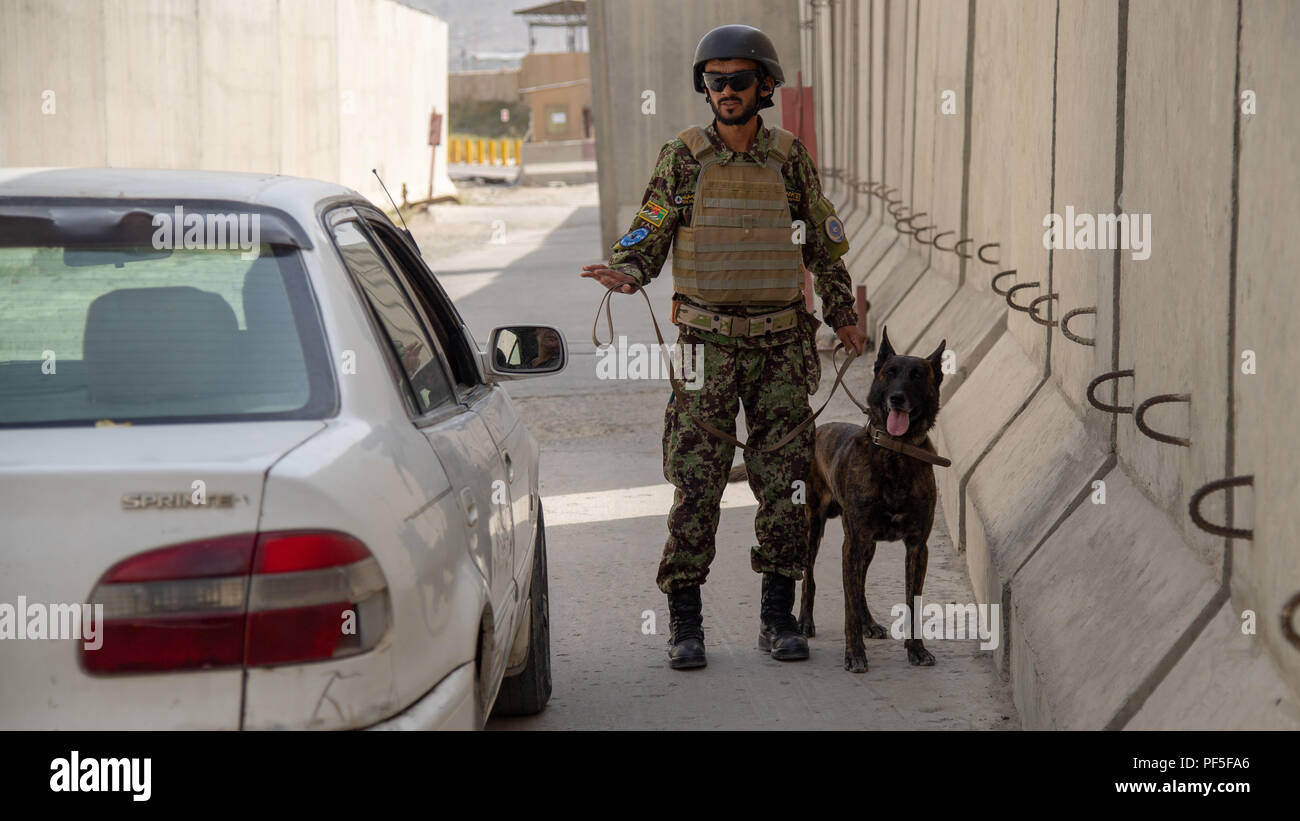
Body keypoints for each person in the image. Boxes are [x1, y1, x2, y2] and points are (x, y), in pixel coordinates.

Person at [580, 23, 867, 670]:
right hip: (704, 346)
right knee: (697, 483)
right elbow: (650, 228)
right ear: (703, 87)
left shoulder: (789, 158)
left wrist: (843, 312)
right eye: (715, 80)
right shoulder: (682, 158)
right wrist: (625, 270)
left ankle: (776, 616)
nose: (726, 90)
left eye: (739, 79)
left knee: (787, 483)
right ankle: (685, 621)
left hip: (780, 348)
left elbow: (822, 245)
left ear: (764, 86)